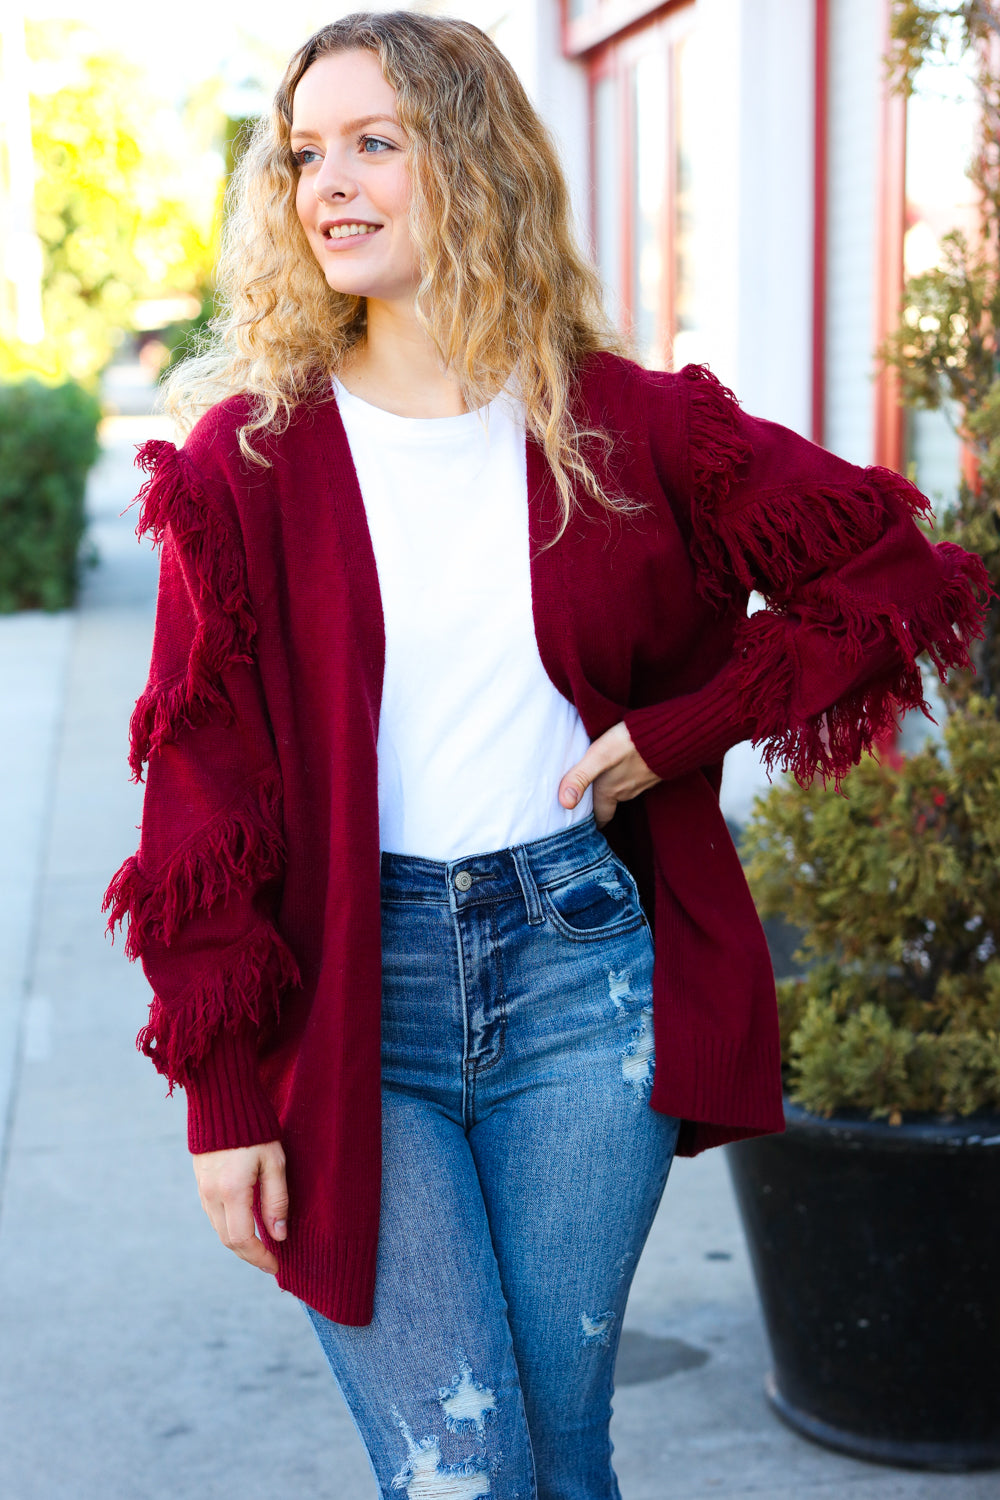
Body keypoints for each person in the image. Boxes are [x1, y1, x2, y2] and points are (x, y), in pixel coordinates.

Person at [104, 12, 989, 1499]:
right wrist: (224, 1106)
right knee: (467, 1469)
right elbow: (198, 796)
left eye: (376, 141)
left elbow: (902, 572)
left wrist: (685, 730)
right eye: (307, 153)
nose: (331, 182)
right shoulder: (243, 465)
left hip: (583, 978)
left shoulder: (629, 429)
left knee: (562, 1450)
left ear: (475, 159)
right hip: (349, 1001)